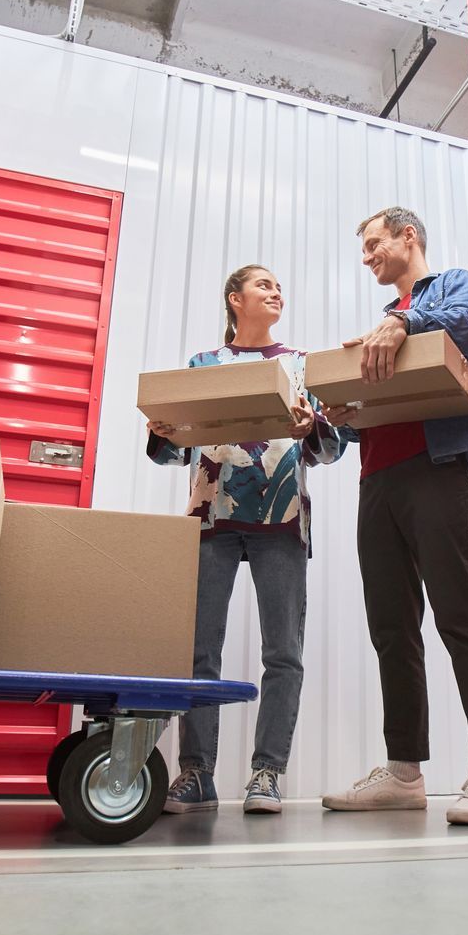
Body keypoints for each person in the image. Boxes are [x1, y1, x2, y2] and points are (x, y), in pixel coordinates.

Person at [320, 207, 468, 826]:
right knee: (391, 629)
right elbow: (372, 412)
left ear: (410, 237)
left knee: (461, 615)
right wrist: (337, 418)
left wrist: (403, 320)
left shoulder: (450, 287)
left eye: (374, 243)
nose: (367, 256)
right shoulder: (383, 327)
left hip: (437, 471)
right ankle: (404, 771)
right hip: (376, 478)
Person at [146, 264, 345, 816]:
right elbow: (173, 452)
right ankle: (196, 773)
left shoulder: (301, 365)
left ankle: (267, 775)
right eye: (264, 285)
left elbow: (330, 451)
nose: (276, 291)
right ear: (235, 299)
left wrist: (313, 430)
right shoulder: (202, 366)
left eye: (280, 286)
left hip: (281, 520)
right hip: (212, 518)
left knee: (284, 654)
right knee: (198, 652)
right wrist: (162, 432)